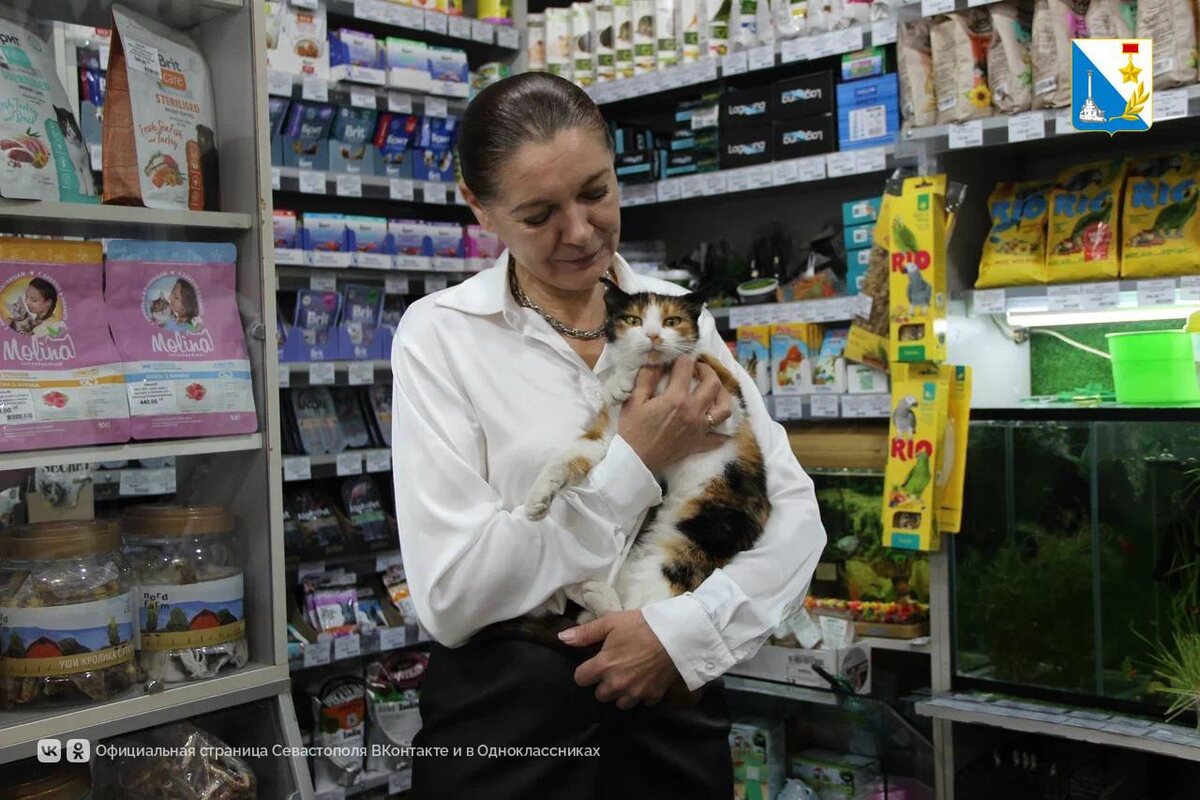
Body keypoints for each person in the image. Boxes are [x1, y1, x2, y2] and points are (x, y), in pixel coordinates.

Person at [390, 72, 827, 799]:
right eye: (538, 214)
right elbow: (452, 593)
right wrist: (637, 461)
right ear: (478, 206)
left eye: (596, 192)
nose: (581, 231)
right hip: (508, 719)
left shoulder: (677, 316)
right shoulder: (443, 336)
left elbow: (793, 514)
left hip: (668, 709)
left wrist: (684, 635)